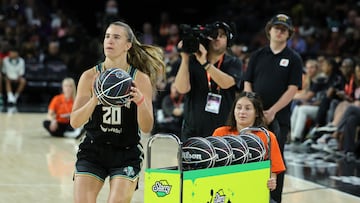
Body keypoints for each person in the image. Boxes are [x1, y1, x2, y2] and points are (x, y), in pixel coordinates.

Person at [70, 21, 165, 203]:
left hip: (126, 152)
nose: (109, 41)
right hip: (93, 149)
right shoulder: (89, 76)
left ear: (128, 45)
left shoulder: (139, 79)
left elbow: (147, 127)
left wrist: (140, 101)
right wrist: (95, 99)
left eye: (116, 37)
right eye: (107, 36)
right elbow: (75, 122)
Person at [243, 14, 303, 203]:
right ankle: (250, 195)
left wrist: (272, 111)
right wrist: (253, 108)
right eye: (276, 28)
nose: (279, 31)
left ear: (289, 34)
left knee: (276, 162)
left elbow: (292, 89)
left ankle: (274, 199)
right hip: (255, 117)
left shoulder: (293, 59)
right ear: (269, 30)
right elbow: (247, 82)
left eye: (284, 29)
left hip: (279, 119)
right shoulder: (257, 55)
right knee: (251, 156)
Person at [174, 21, 243, 141]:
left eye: (222, 35)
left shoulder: (233, 62)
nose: (217, 38)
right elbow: (181, 88)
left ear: (229, 41)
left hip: (223, 131)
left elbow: (226, 83)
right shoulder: (192, 61)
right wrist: (185, 59)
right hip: (193, 131)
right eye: (214, 35)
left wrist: (205, 63)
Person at [212, 91, 285, 202]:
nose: (242, 112)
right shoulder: (220, 133)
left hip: (254, 191)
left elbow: (273, 170)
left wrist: (272, 181)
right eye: (239, 108)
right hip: (225, 191)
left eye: (247, 108)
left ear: (256, 113)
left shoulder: (268, 136)